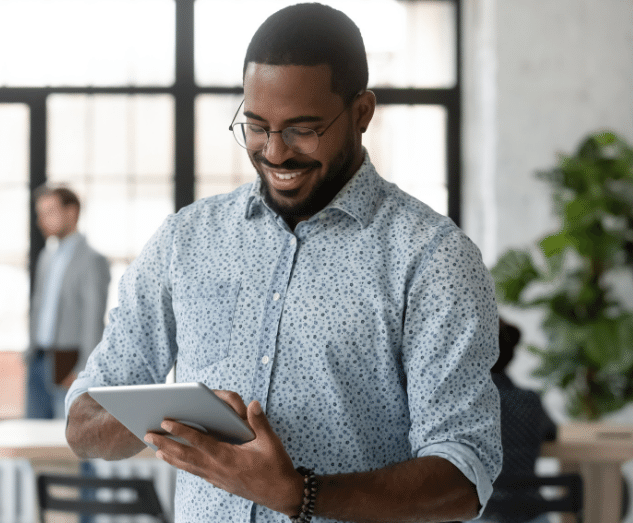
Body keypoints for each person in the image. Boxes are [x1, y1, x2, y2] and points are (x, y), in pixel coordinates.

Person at [65, 4, 502, 523]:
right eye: (255, 126)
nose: (274, 152)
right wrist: (170, 419)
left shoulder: (431, 257)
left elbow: (463, 476)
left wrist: (298, 493)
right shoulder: (186, 241)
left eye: (302, 129)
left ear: (361, 113)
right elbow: (83, 423)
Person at [26, 185, 110, 419]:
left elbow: (93, 319)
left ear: (71, 212)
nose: (42, 220)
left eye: (49, 212)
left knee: (72, 438)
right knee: (35, 439)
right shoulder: (46, 257)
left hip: (69, 359)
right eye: (39, 213)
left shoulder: (92, 260)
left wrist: (84, 369)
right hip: (39, 357)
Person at [480, 319, 558, 523]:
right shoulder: (529, 400)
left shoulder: (463, 405)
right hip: (531, 514)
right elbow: (551, 433)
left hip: (482, 514)